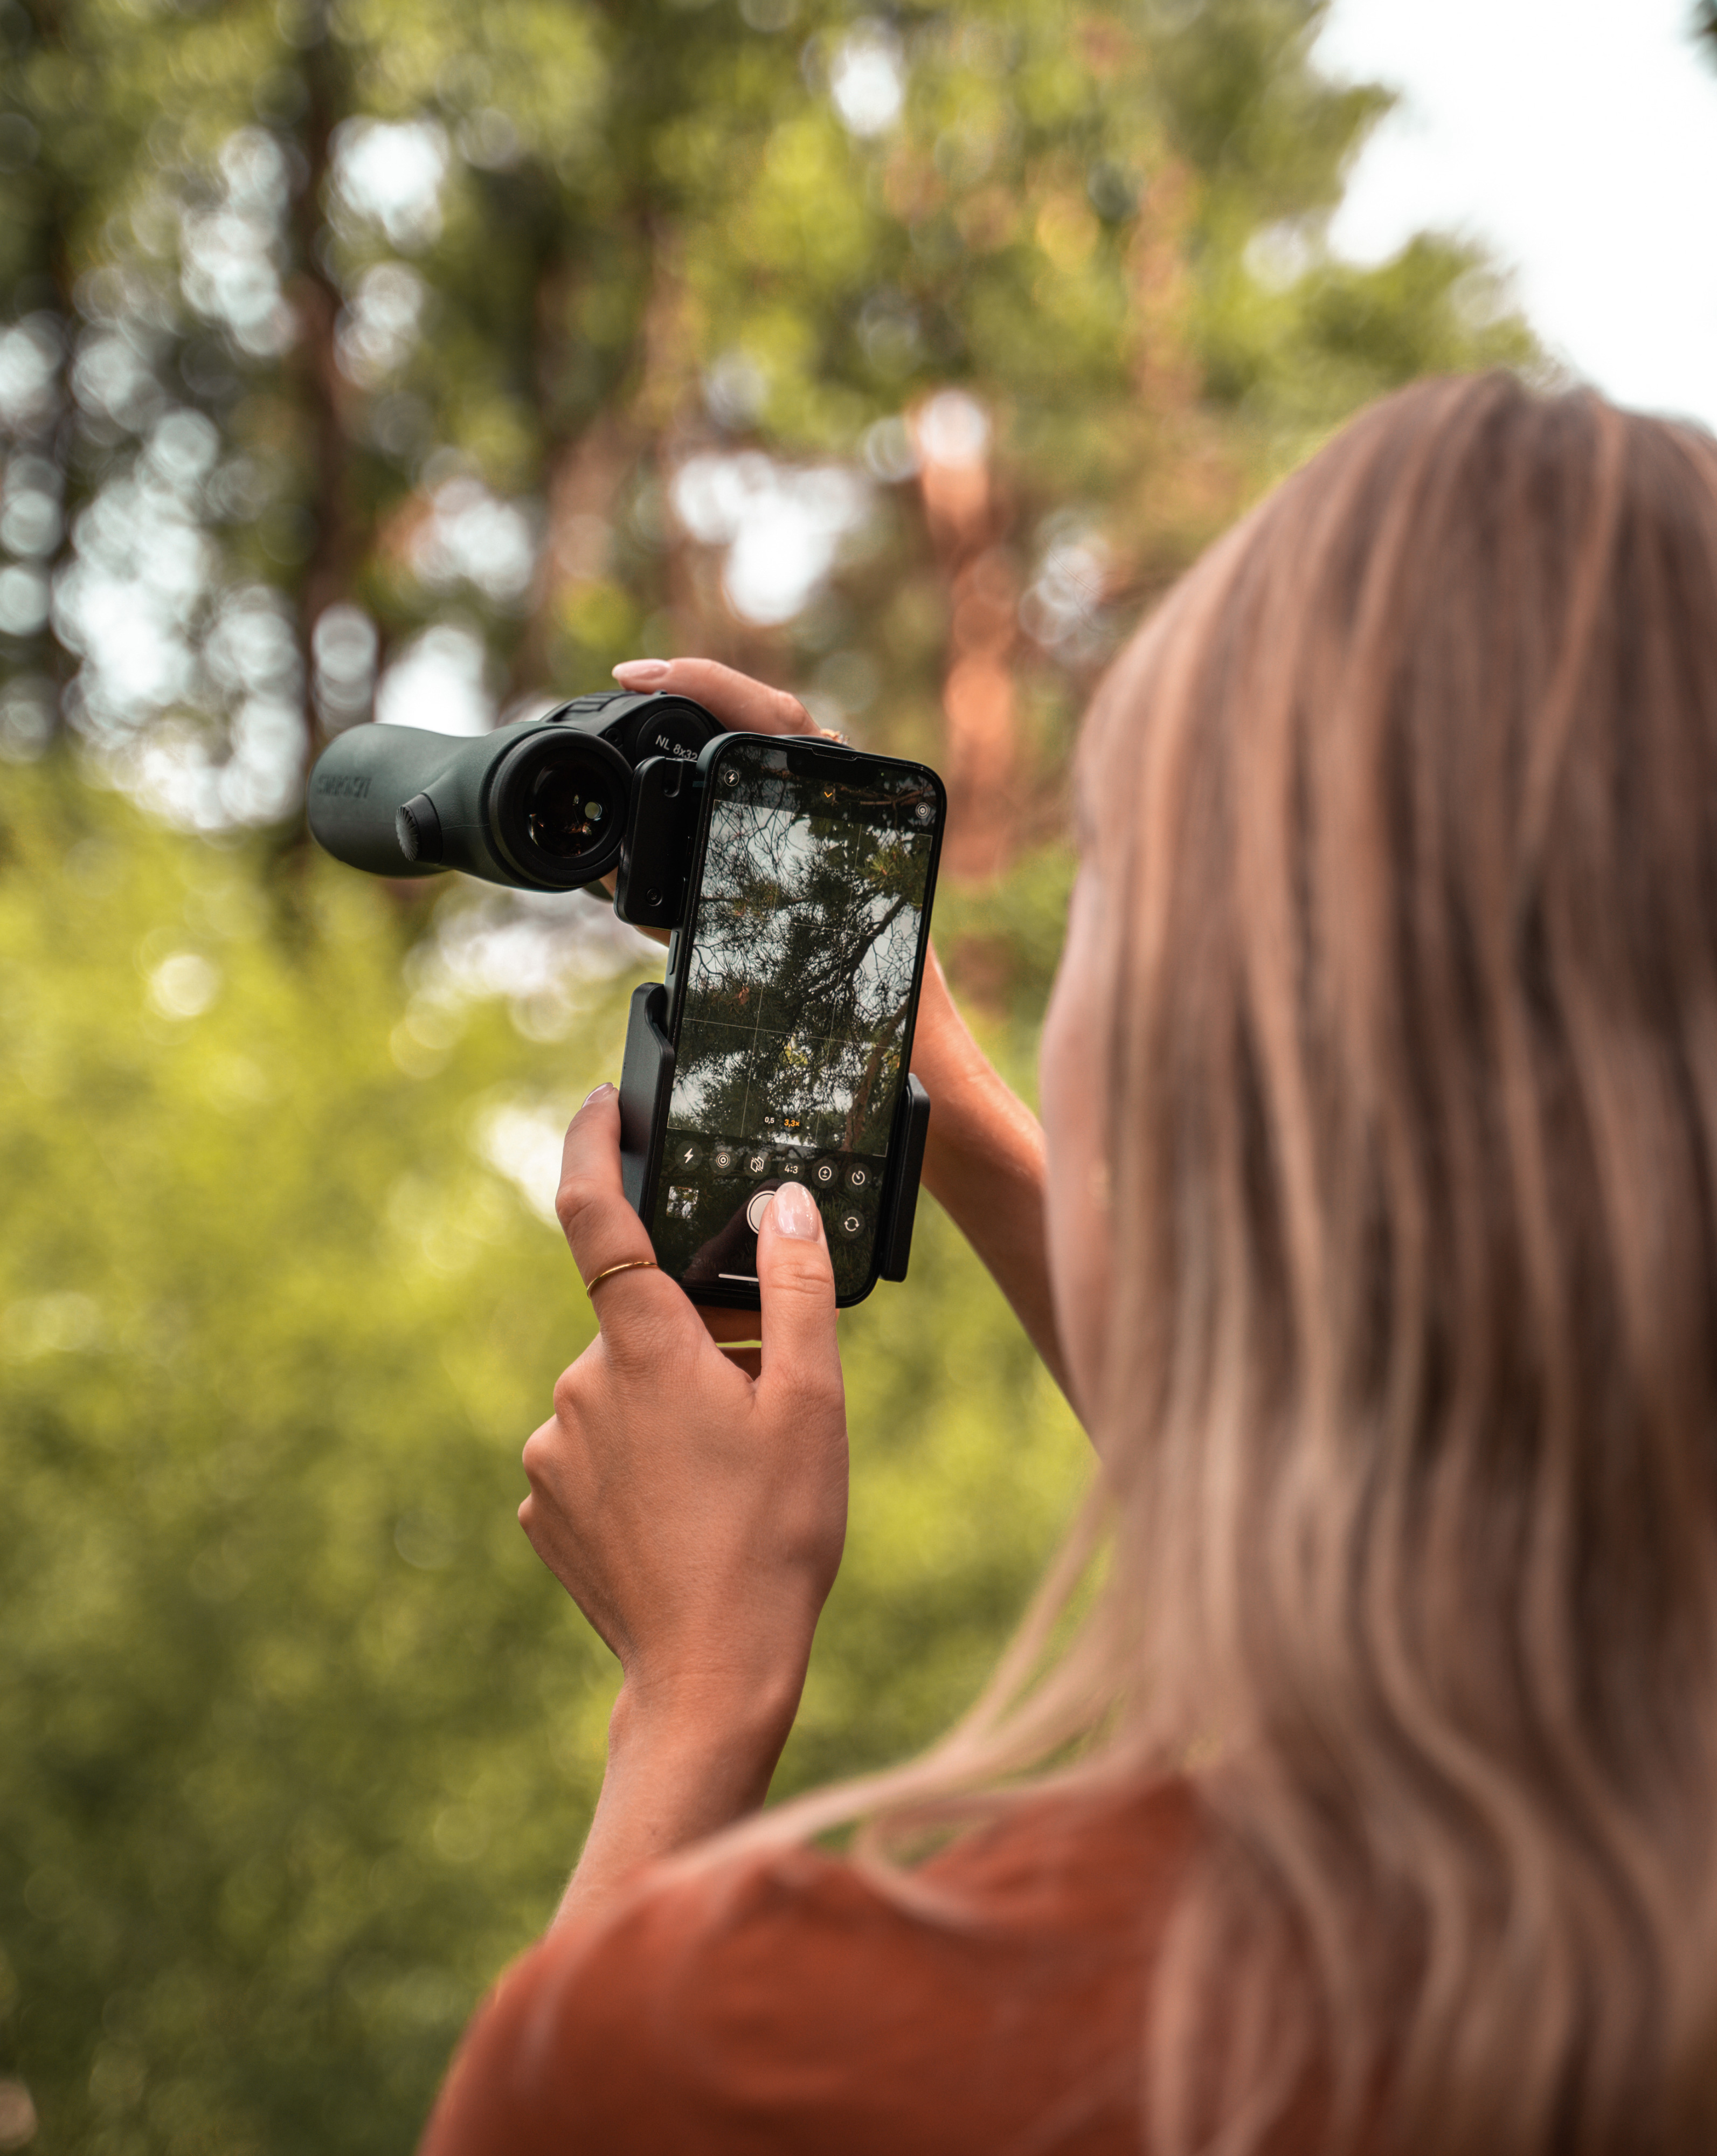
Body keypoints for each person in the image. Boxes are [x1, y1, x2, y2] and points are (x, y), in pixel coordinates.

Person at [419, 374, 1717, 2155]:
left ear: (1195, 1037)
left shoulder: (795, 2050)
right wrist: (924, 1080)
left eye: (1115, 863)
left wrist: (697, 1699)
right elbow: (1455, 1417)